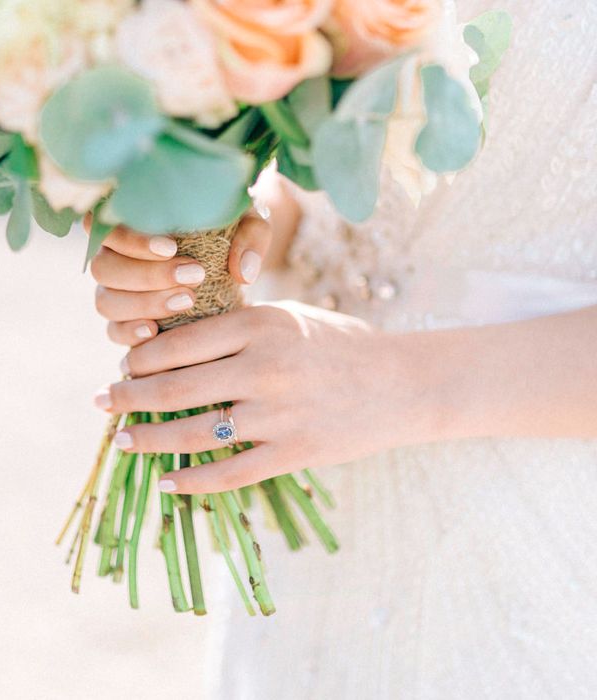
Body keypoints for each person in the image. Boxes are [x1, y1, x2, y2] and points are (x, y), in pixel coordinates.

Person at [88, 0, 597, 696]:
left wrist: (398, 382)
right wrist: (227, 212)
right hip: (312, 485)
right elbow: (326, 135)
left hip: (543, 515)